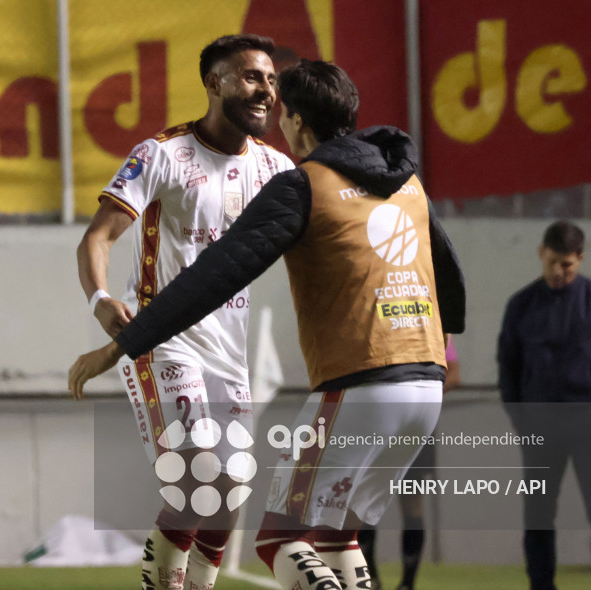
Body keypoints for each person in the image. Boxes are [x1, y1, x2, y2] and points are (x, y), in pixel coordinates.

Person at [69, 59, 465, 590]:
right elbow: (450, 273)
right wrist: (434, 340)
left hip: (362, 385)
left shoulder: (301, 182)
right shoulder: (405, 181)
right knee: (337, 537)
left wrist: (120, 345)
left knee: (279, 538)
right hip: (427, 386)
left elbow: (214, 276)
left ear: (297, 121)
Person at [74, 33, 294, 590]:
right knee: (199, 475)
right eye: (252, 77)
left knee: (230, 490)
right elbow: (97, 237)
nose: (266, 90)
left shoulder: (275, 168)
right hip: (164, 341)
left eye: (271, 80)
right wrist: (101, 300)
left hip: (229, 350)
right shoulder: (162, 155)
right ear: (214, 82)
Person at [497, 220, 591, 590]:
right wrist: (521, 418)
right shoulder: (521, 305)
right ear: (540, 254)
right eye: (553, 263)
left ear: (581, 259)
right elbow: (508, 364)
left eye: (567, 265)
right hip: (540, 426)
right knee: (538, 515)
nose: (559, 271)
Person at [357, 336, 460, 590]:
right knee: (365, 502)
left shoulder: (434, 327)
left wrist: (418, 398)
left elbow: (454, 375)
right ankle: (371, 578)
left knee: (412, 503)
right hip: (376, 422)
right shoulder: (374, 324)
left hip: (414, 425)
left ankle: (407, 583)